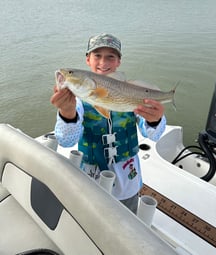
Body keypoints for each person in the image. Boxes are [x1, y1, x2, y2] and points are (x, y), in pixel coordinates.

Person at [50, 33, 166, 213]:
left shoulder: (131, 92)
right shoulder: (78, 99)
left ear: (118, 61)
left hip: (127, 178)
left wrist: (155, 119)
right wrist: (67, 112)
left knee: (129, 222)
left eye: (110, 57)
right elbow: (66, 141)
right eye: (97, 56)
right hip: (91, 177)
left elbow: (153, 134)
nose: (103, 63)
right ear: (88, 59)